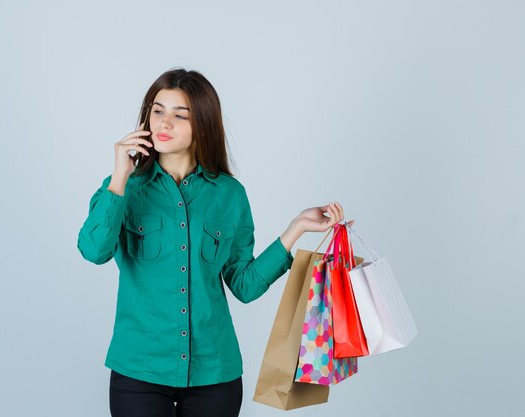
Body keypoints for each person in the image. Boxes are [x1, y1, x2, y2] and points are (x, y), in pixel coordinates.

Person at [77, 68, 351, 417]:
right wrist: (120, 175)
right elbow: (93, 250)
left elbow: (245, 285)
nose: (164, 122)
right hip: (139, 371)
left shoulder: (229, 194)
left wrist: (295, 229)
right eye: (158, 110)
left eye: (180, 115)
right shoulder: (122, 188)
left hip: (214, 375)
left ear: (202, 124)